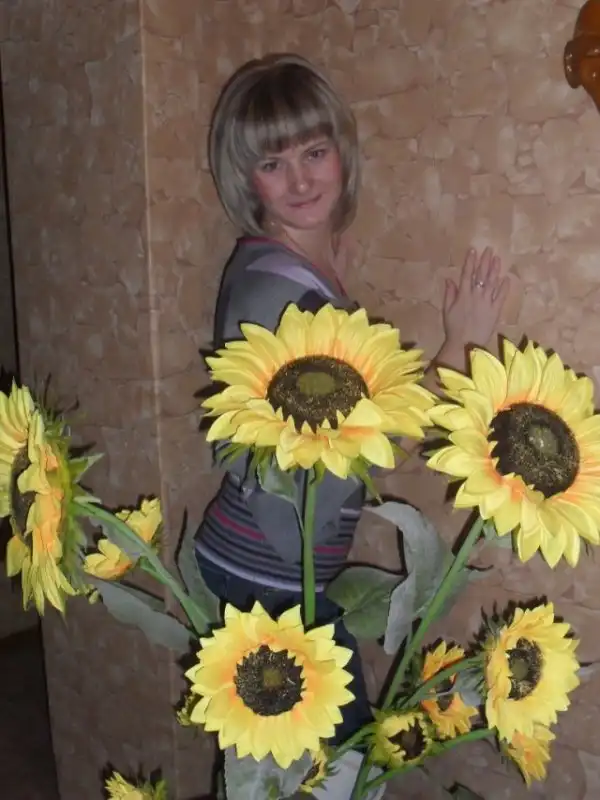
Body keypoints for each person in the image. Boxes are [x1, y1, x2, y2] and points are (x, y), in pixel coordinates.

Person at [195, 53, 508, 748]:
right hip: (273, 575)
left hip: (262, 564)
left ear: (342, 152)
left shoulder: (286, 265)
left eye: (314, 151)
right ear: (245, 177)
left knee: (302, 769)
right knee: (336, 770)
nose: (301, 180)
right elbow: (369, 442)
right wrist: (461, 343)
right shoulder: (284, 290)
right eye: (273, 163)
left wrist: (337, 282)